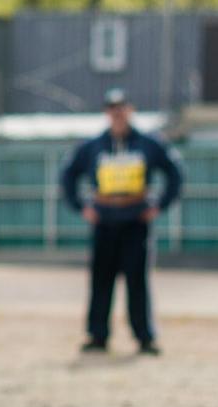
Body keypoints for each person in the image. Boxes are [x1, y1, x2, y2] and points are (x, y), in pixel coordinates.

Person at [60, 88, 183, 356]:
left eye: (122, 108)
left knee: (137, 282)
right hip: (104, 222)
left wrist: (159, 205)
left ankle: (144, 337)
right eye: (112, 109)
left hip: (135, 222)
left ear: (130, 110)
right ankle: (97, 336)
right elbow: (68, 174)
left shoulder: (149, 144)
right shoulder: (92, 146)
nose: (117, 114)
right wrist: (82, 206)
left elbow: (175, 173)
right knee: (101, 281)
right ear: (106, 113)